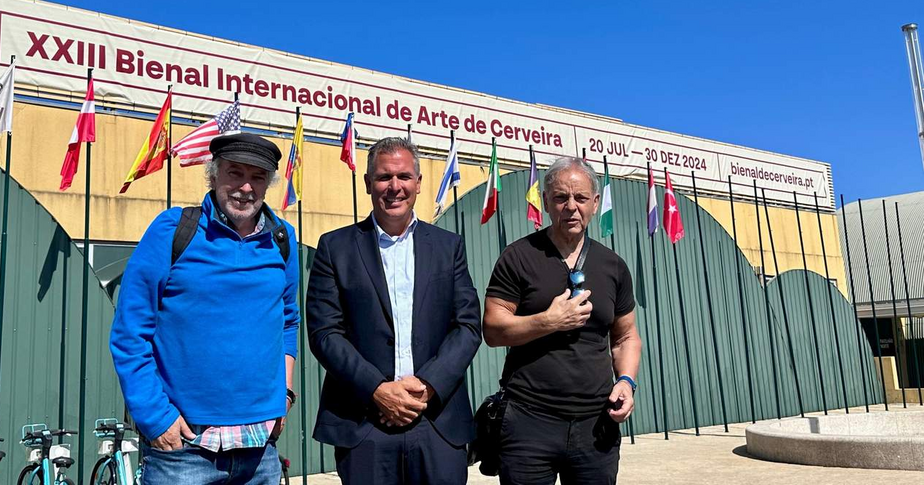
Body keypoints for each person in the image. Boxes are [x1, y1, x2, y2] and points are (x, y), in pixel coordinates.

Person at [110, 133, 300, 485]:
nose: (245, 187)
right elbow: (129, 332)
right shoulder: (173, 229)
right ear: (213, 175)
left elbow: (288, 321)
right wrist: (155, 418)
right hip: (183, 450)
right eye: (234, 173)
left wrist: (283, 395)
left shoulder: (283, 240)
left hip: (260, 450)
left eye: (257, 177)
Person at [306, 137, 482, 484]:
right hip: (365, 423)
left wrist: (428, 385)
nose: (394, 187)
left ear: (418, 183)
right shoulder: (335, 247)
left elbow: (467, 325)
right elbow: (325, 333)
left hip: (437, 421)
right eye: (385, 177)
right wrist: (378, 390)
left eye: (404, 176)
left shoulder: (448, 247)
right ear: (368, 182)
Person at [483, 156, 642, 485]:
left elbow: (626, 337)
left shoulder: (613, 266)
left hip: (596, 425)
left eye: (581, 198)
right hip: (529, 422)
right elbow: (493, 330)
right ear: (545, 202)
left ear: (595, 203)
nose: (571, 206)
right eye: (560, 197)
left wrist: (626, 381)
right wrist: (549, 320)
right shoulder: (519, 256)